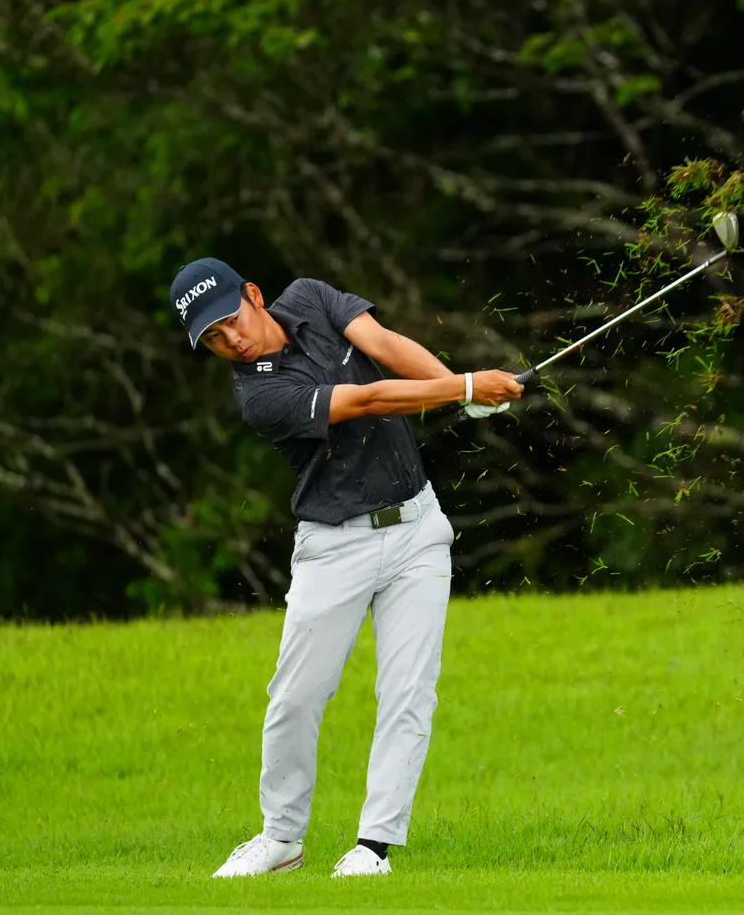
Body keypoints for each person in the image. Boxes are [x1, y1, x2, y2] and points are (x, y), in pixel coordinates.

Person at [168, 257, 524, 878]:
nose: (233, 342)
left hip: (417, 530)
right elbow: (367, 399)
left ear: (253, 295)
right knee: (296, 697)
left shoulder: (310, 298)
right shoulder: (259, 396)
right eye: (215, 339)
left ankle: (374, 847)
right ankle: (281, 838)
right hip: (334, 546)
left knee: (408, 691)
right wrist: (466, 389)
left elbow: (384, 346)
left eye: (232, 321)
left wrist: (457, 389)